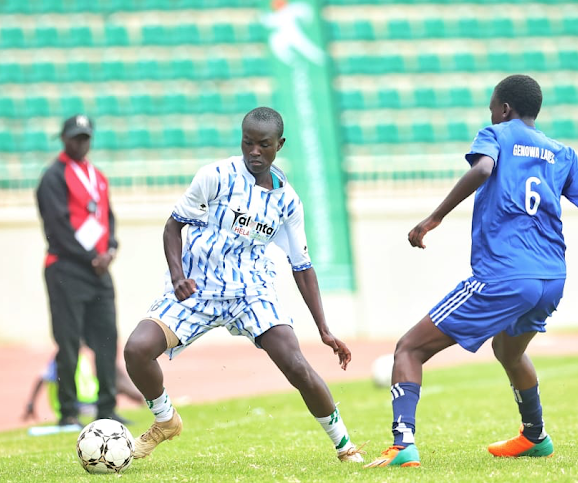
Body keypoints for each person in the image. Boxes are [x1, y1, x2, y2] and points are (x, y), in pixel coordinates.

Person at [364, 74, 578, 468]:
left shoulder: (497, 134)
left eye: (492, 108)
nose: (491, 114)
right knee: (508, 348)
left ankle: (403, 445)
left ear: (504, 109)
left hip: (505, 275)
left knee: (409, 348)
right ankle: (535, 436)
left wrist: (434, 218)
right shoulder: (562, 153)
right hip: (551, 278)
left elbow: (483, 170)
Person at [123, 106, 363, 463]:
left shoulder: (287, 201)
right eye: (247, 142)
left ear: (279, 144)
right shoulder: (215, 176)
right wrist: (177, 276)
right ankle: (165, 420)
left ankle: (346, 447)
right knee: (135, 350)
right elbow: (173, 226)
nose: (254, 151)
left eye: (263, 145)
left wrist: (324, 329)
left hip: (251, 291)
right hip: (197, 286)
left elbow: (302, 266)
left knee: (295, 362)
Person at [36, 114, 127, 427]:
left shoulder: (97, 176)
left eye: (85, 137)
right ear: (64, 139)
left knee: (106, 339)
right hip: (66, 269)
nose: (81, 143)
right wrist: (91, 256)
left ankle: (107, 407)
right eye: (75, 137)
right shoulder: (53, 178)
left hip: (98, 270)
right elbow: (58, 227)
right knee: (69, 341)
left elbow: (107, 218)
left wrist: (111, 249)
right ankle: (68, 412)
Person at [22, 349, 143, 423]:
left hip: (90, 401)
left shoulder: (82, 357)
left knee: (114, 376)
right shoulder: (63, 358)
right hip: (78, 405)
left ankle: (142, 397)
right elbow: (43, 378)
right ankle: (144, 398)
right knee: (119, 380)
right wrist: (31, 403)